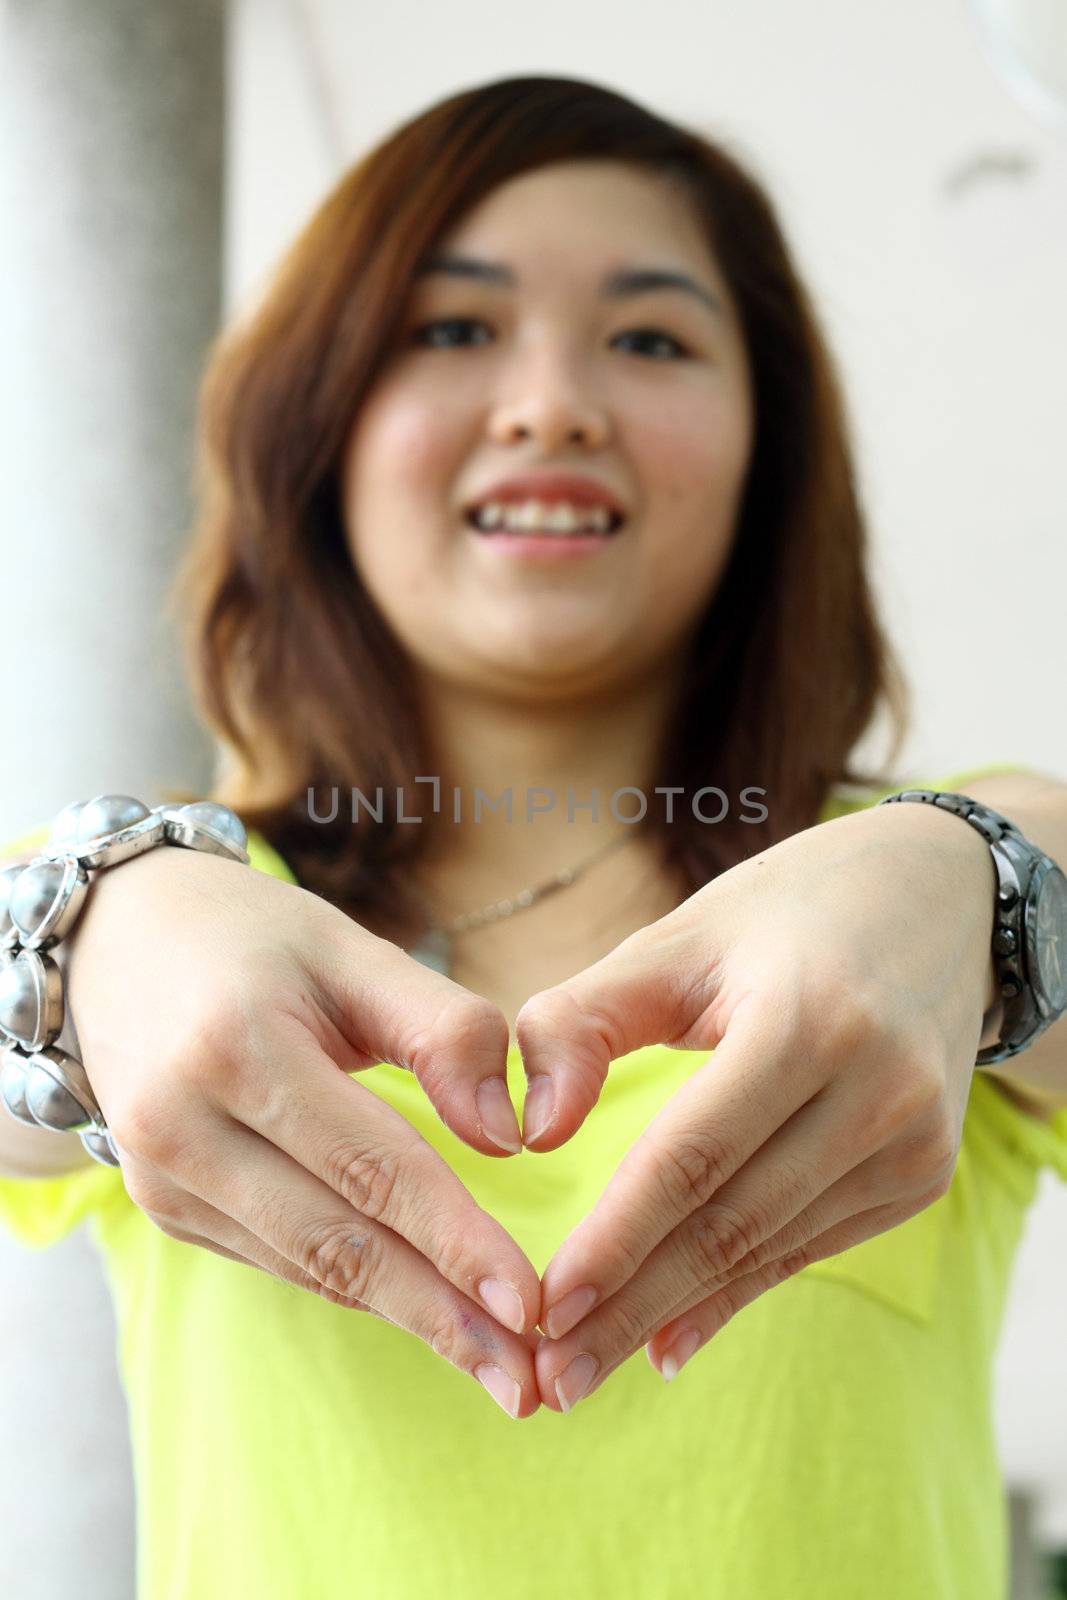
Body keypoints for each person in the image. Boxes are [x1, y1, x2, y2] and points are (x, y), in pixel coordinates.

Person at [2, 73, 1067, 1600]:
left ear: (768, 453)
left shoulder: (930, 908)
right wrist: (87, 934)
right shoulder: (152, 918)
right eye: (452, 330)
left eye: (651, 338)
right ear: (321, 427)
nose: (553, 401)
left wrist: (982, 876)